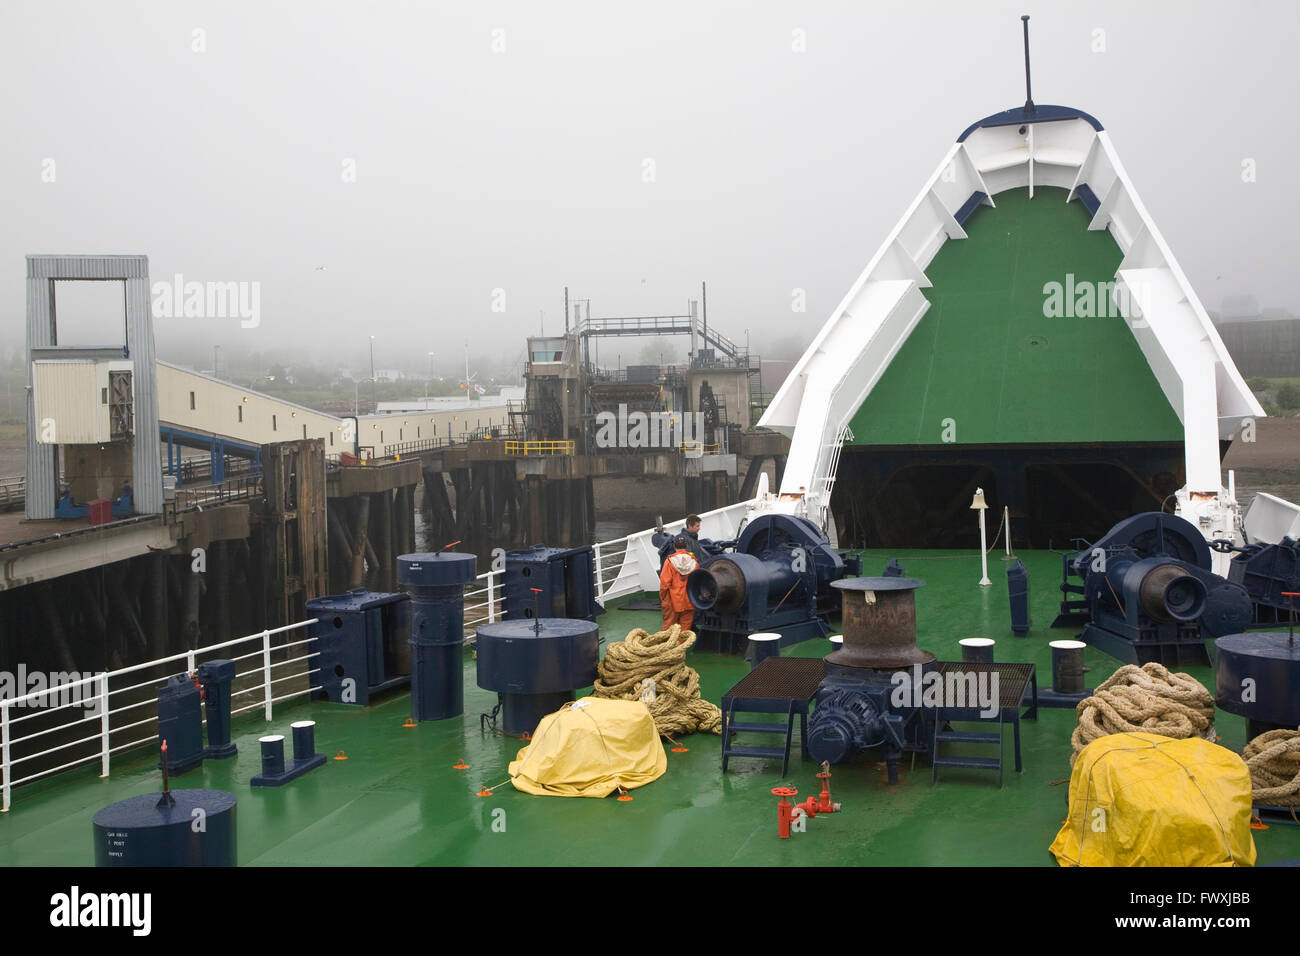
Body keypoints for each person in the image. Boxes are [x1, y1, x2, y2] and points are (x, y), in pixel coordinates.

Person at [659, 535, 698, 632]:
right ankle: (681, 645)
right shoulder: (694, 562)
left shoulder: (669, 562)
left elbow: (664, 583)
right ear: (686, 545)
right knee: (685, 629)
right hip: (689, 600)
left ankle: (667, 646)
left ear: (674, 546)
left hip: (673, 601)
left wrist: (663, 598)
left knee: (668, 628)